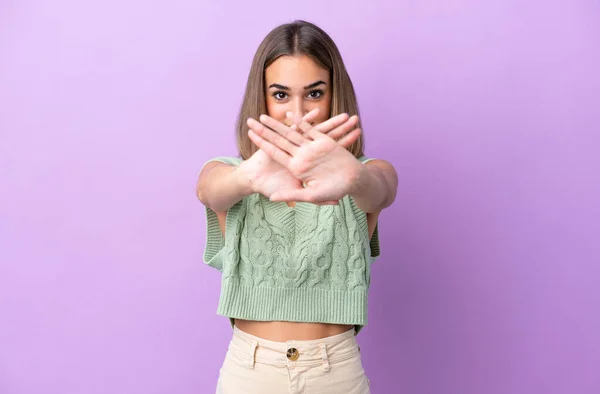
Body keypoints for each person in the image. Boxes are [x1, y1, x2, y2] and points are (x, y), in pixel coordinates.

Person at [196, 20, 398, 394]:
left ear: (334, 95)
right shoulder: (229, 173)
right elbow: (209, 190)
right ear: (262, 97)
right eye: (281, 95)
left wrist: (355, 179)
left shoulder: (365, 174)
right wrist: (249, 178)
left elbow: (381, 190)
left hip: (334, 372)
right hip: (249, 373)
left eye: (315, 93)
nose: (298, 112)